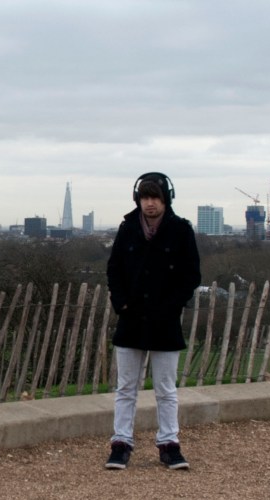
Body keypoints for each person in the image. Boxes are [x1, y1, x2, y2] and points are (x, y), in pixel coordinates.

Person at [105, 172, 201, 470]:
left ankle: (169, 444)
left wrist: (171, 307)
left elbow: (191, 276)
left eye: (155, 197)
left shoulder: (181, 231)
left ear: (166, 199)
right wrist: (121, 304)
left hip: (165, 320)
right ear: (138, 199)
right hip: (131, 318)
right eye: (145, 197)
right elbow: (114, 270)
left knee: (166, 389)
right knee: (125, 388)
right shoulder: (127, 229)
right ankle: (121, 444)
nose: (150, 203)